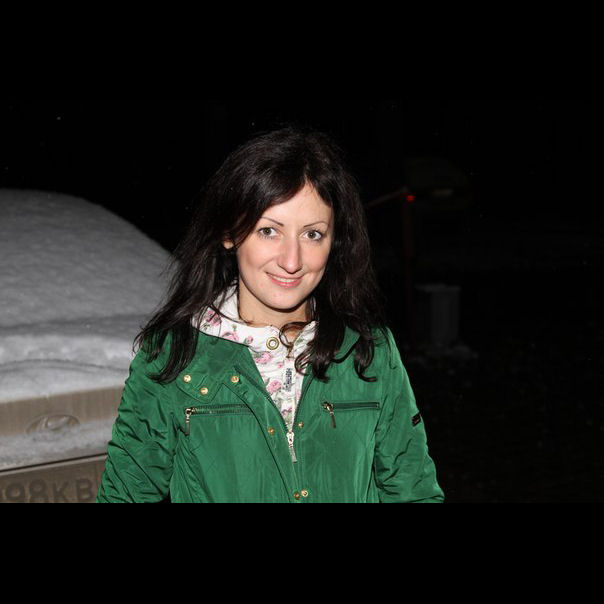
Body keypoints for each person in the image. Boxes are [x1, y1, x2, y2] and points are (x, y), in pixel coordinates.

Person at [96, 126, 444, 503]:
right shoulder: (172, 355)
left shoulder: (368, 350)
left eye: (312, 234)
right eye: (268, 231)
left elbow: (413, 492)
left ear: (335, 241)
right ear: (230, 232)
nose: (292, 261)